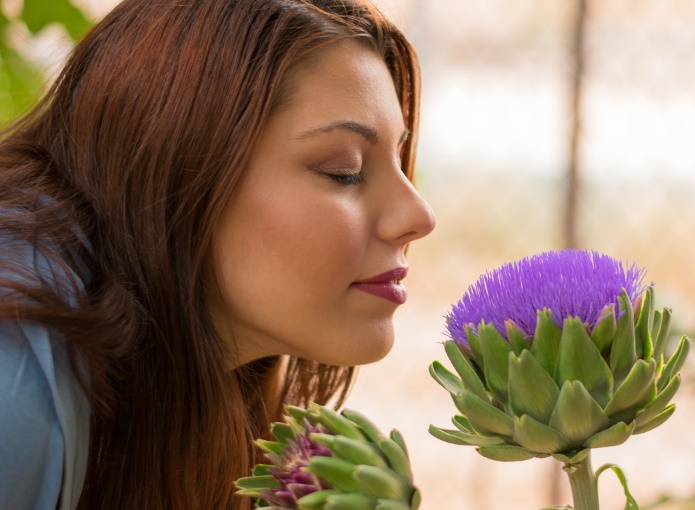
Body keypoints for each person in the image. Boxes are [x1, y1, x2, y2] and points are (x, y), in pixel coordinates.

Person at [0, 0, 436, 508]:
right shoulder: (17, 355)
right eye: (344, 169)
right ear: (177, 167)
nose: (418, 216)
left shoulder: (200, 402)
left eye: (400, 159)